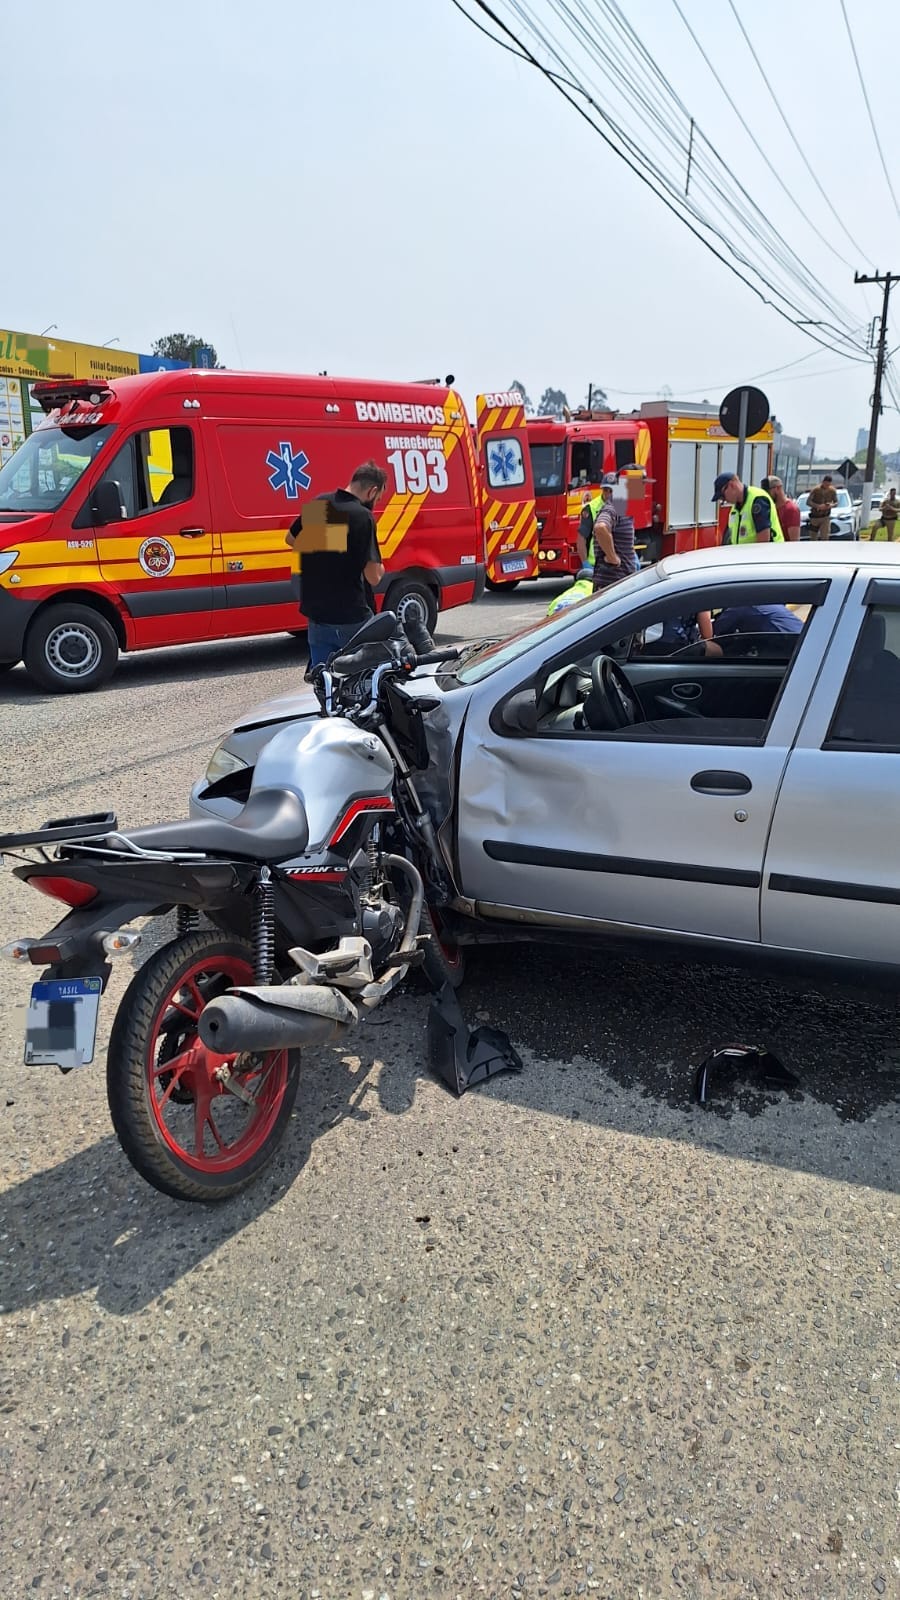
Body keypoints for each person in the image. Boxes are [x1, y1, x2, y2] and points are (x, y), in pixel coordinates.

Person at [285, 460, 387, 669]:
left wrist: (327, 544)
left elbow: (291, 538)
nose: (376, 503)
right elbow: (373, 577)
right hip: (351, 617)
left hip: (318, 617)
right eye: (378, 498)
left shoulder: (320, 503)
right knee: (364, 681)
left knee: (325, 683)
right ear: (372, 491)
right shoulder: (362, 516)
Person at [579, 473, 638, 592]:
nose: (608, 494)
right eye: (606, 490)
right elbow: (584, 537)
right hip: (603, 570)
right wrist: (611, 558)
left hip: (616, 573)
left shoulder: (622, 506)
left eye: (611, 490)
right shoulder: (602, 508)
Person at [712, 472, 784, 544]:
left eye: (723, 496)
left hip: (770, 553)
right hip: (744, 554)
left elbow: (763, 541)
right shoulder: (735, 509)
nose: (724, 500)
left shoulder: (758, 500)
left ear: (732, 485)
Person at [761, 475, 801, 542]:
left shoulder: (791, 509)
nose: (766, 495)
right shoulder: (769, 508)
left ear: (777, 488)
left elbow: (794, 541)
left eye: (767, 492)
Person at [806, 474, 838, 541]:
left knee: (825, 536)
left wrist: (830, 505)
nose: (826, 486)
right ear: (823, 482)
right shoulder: (816, 490)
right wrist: (818, 506)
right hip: (815, 517)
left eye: (828, 485)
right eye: (825, 484)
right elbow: (808, 502)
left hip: (825, 517)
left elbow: (836, 502)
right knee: (813, 537)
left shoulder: (832, 491)